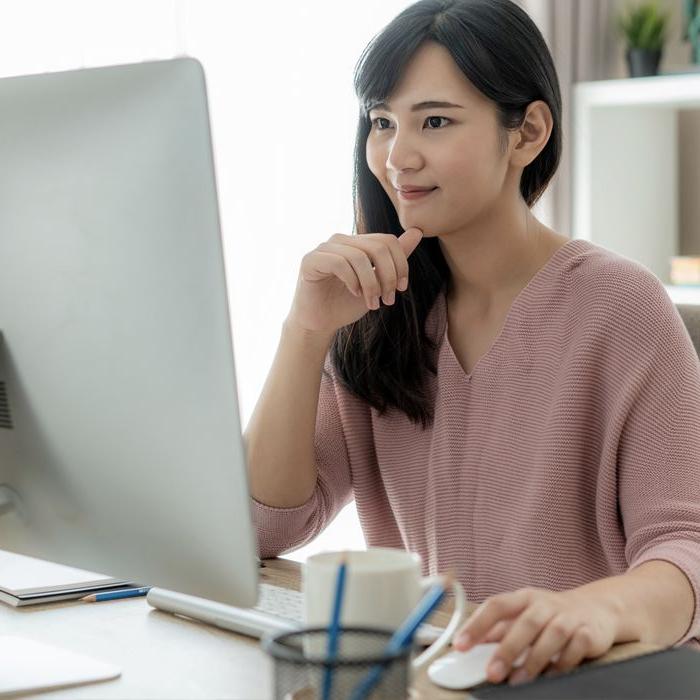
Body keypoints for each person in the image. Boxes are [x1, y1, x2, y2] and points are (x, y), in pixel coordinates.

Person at [243, 0, 700, 686]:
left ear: (528, 132)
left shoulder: (621, 307)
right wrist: (305, 334)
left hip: (598, 678)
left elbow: (686, 548)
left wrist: (594, 611)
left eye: (435, 120)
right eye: (381, 122)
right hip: (437, 677)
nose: (397, 156)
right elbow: (262, 530)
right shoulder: (375, 316)